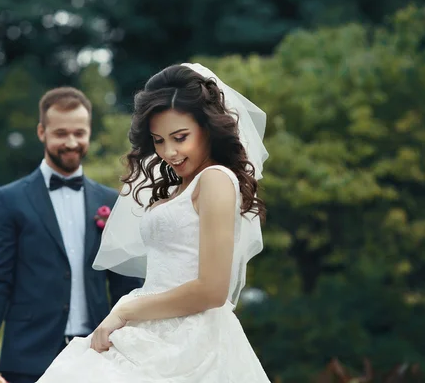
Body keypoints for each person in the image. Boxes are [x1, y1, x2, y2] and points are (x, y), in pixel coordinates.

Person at [34, 63, 272, 382]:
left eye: (180, 137)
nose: (169, 152)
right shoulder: (180, 186)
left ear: (208, 128)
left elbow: (213, 290)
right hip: (151, 328)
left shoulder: (215, 180)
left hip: (190, 340)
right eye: (159, 141)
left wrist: (125, 310)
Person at [0, 87, 144, 383]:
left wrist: (136, 348)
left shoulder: (112, 202)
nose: (71, 142)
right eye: (61, 133)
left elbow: (127, 285)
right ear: (41, 132)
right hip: (27, 357)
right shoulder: (9, 200)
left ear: (89, 133)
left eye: (79, 132)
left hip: (97, 355)